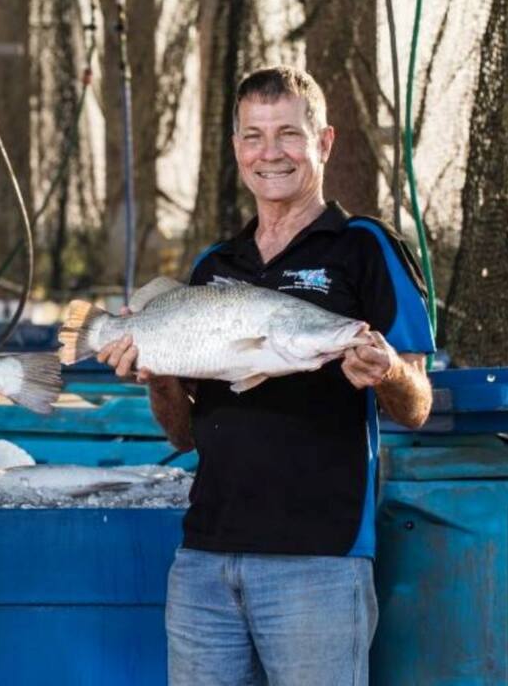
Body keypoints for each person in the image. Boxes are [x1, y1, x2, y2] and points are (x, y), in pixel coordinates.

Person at [99, 66, 434, 685]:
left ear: (324, 142)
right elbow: (183, 435)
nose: (270, 153)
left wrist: (385, 369)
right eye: (253, 136)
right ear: (236, 150)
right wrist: (157, 371)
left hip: (319, 563)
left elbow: (416, 404)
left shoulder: (364, 247)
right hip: (204, 559)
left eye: (287, 134)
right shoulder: (213, 265)